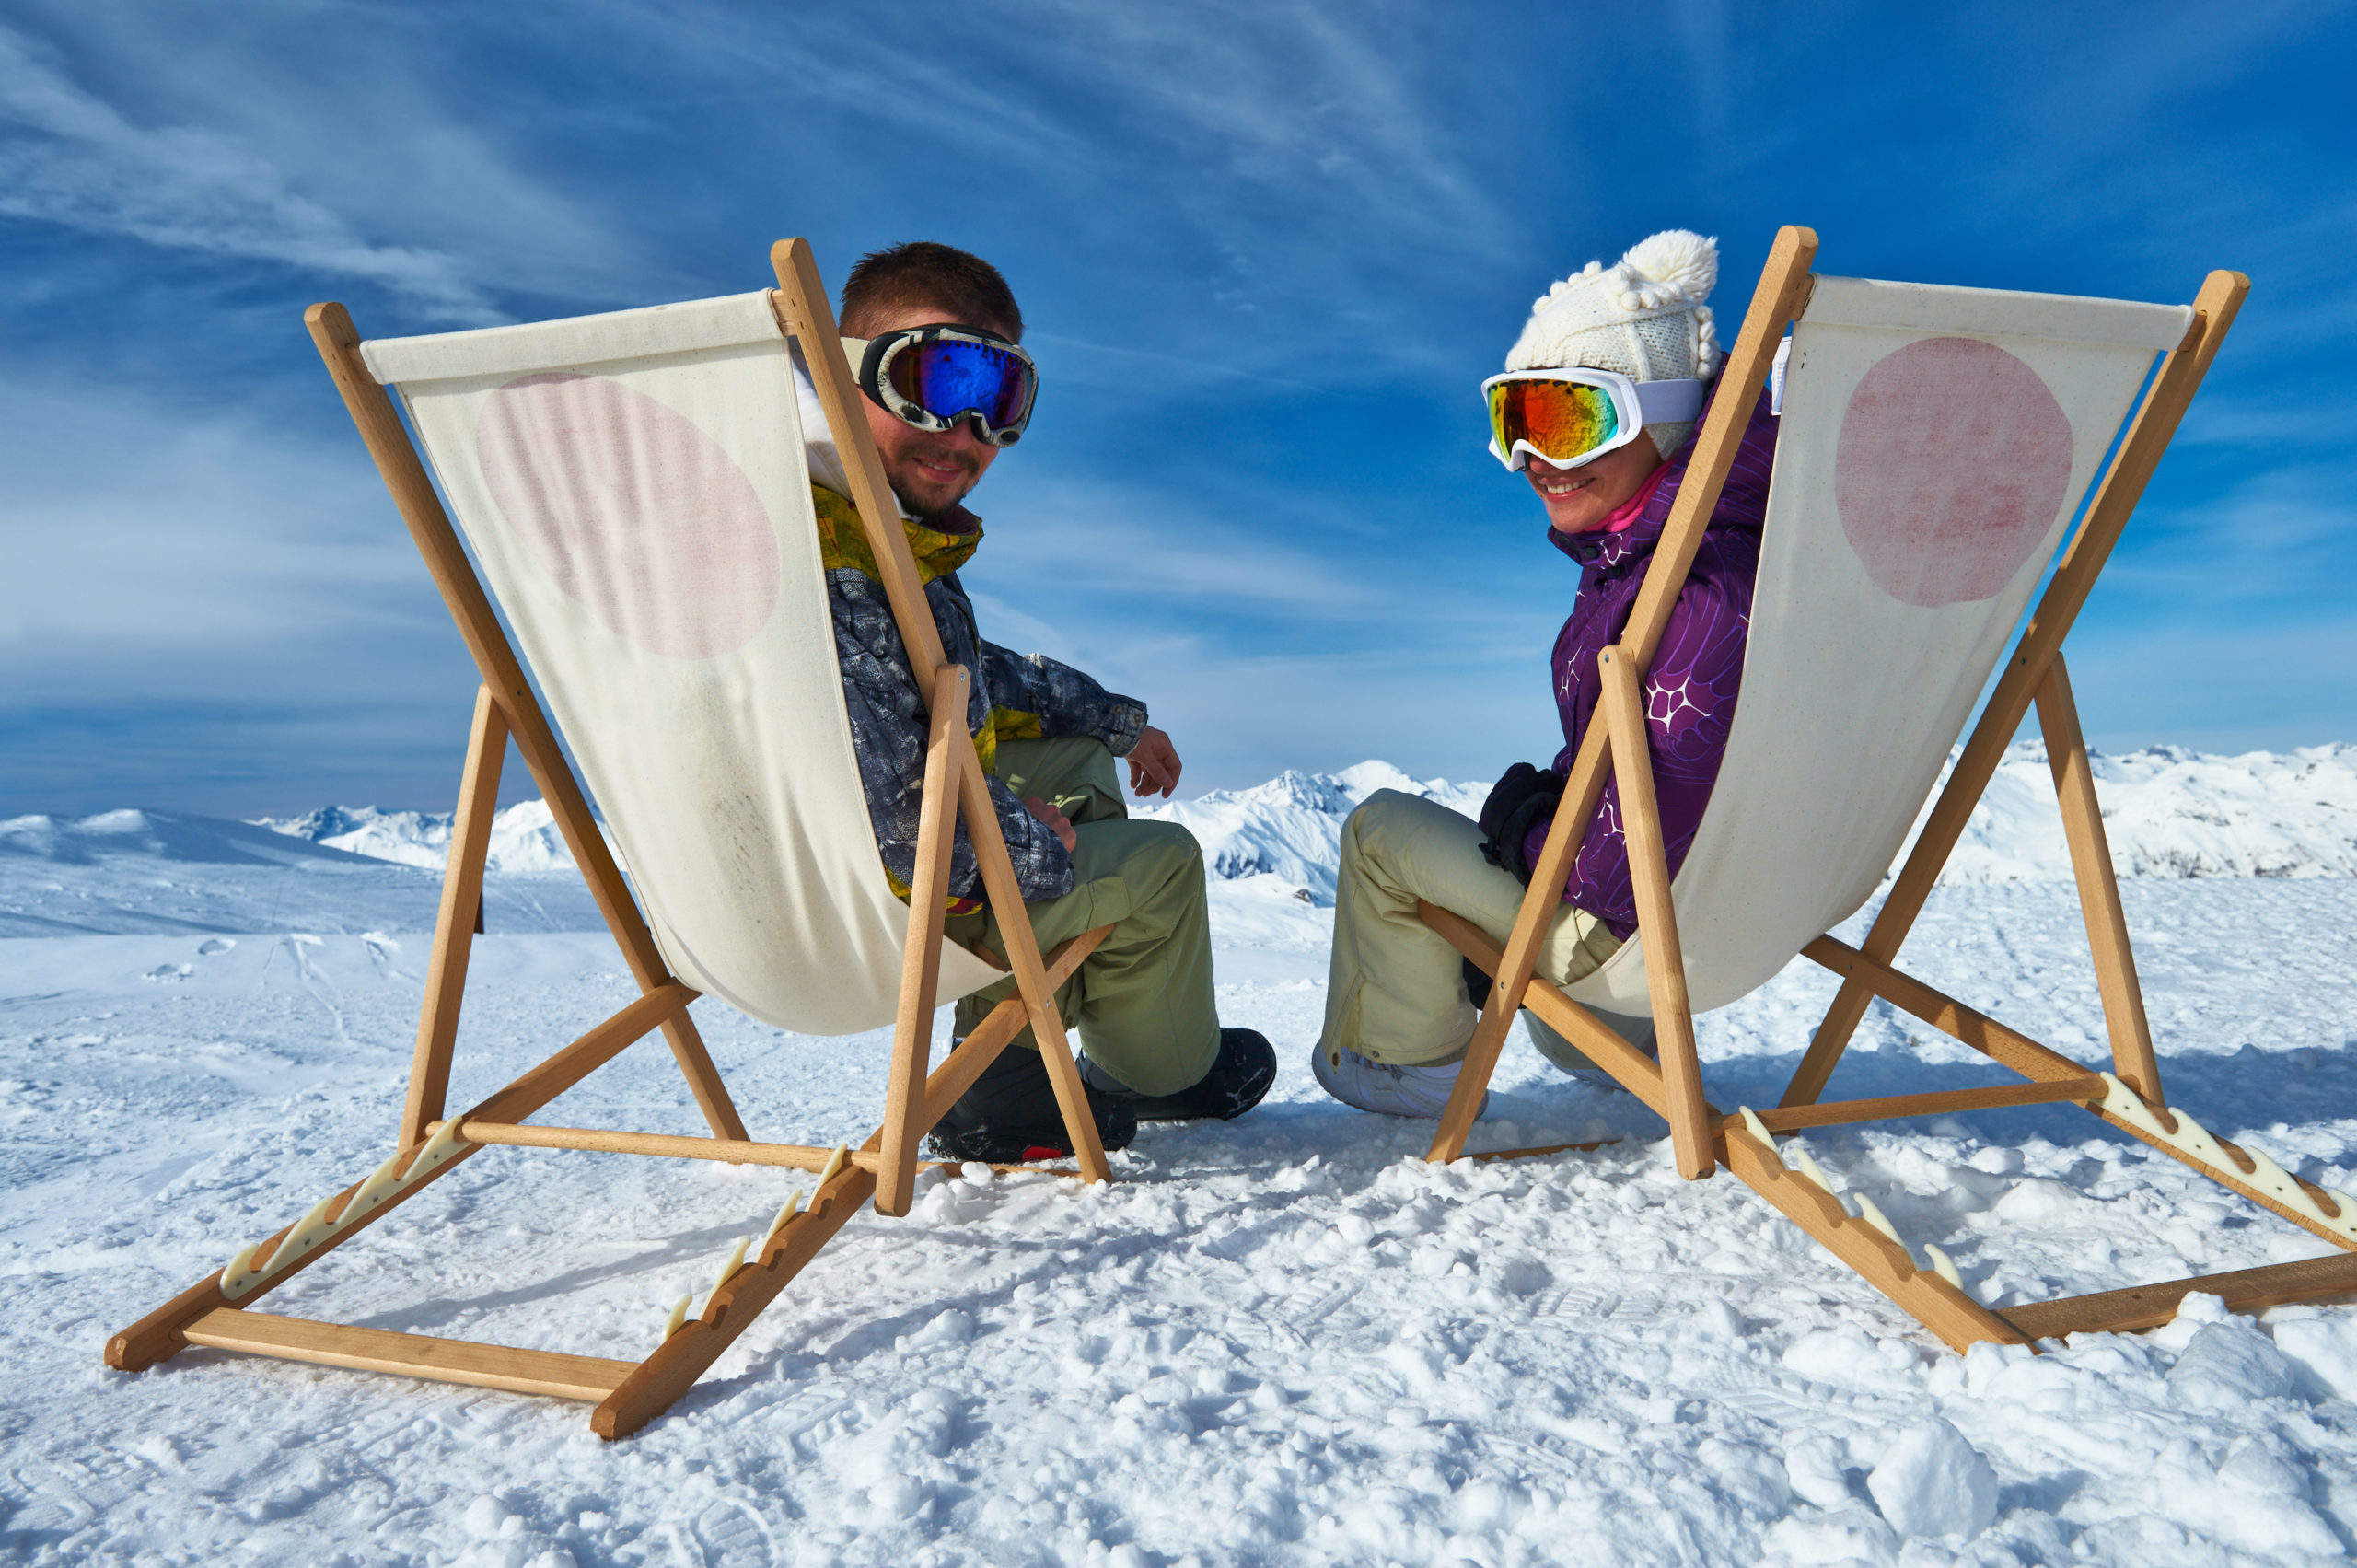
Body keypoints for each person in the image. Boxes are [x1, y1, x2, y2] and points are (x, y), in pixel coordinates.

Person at [795, 240, 1274, 1161]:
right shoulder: (841, 567)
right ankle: (1143, 1070)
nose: (969, 431)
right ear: (840, 371)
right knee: (1163, 856)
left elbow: (960, 676)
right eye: (936, 379)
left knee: (1079, 763)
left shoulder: (809, 514)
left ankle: (1012, 1064)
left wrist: (1117, 720)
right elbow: (902, 830)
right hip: (862, 903)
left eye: (1002, 401)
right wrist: (1029, 836)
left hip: (768, 877)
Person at [1311, 229, 1781, 1117]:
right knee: (1528, 882)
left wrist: (1526, 834)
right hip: (1755, 917)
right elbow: (1675, 761)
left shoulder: (1697, 589)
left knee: (1380, 832)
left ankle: (1409, 1062)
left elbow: (1618, 866)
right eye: (1513, 424)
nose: (1533, 459)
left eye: (1567, 418)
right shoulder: (1762, 557)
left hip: (1633, 942)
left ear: (1666, 413)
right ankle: (1609, 1047)